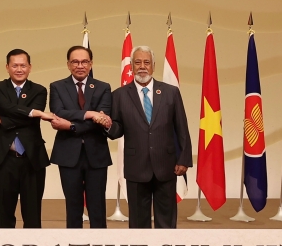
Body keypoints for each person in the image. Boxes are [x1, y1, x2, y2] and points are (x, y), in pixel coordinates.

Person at [104, 45, 193, 229]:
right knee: (138, 222)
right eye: (137, 62)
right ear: (131, 66)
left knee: (166, 220)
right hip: (136, 166)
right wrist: (107, 125)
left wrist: (184, 158)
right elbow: (117, 130)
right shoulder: (119, 95)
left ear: (153, 65)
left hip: (166, 165)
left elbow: (181, 128)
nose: (142, 66)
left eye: (146, 62)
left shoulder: (170, 92)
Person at [0, 49, 53, 229]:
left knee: (33, 213)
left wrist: (0, 119)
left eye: (23, 65)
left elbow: (19, 116)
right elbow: (5, 107)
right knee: (4, 212)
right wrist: (30, 112)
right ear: (7, 67)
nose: (19, 69)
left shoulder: (39, 90)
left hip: (32, 159)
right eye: (15, 65)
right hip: (3, 158)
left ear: (30, 67)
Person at [48, 45, 113, 228]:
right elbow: (59, 112)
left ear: (91, 64)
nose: (80, 65)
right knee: (73, 206)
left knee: (97, 207)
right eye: (75, 62)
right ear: (68, 64)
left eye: (84, 61)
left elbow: (103, 118)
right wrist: (90, 114)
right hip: (68, 154)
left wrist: (71, 126)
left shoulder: (103, 87)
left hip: (96, 154)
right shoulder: (57, 87)